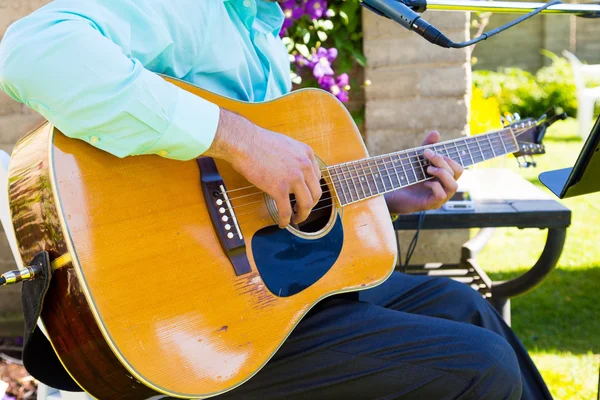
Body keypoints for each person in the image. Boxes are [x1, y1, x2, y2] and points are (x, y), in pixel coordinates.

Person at [0, 1, 552, 399]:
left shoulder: (260, 31)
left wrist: (387, 201)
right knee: (481, 366)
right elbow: (32, 53)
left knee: (467, 308)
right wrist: (243, 139)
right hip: (188, 323)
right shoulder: (190, 11)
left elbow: (265, 205)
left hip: (260, 296)